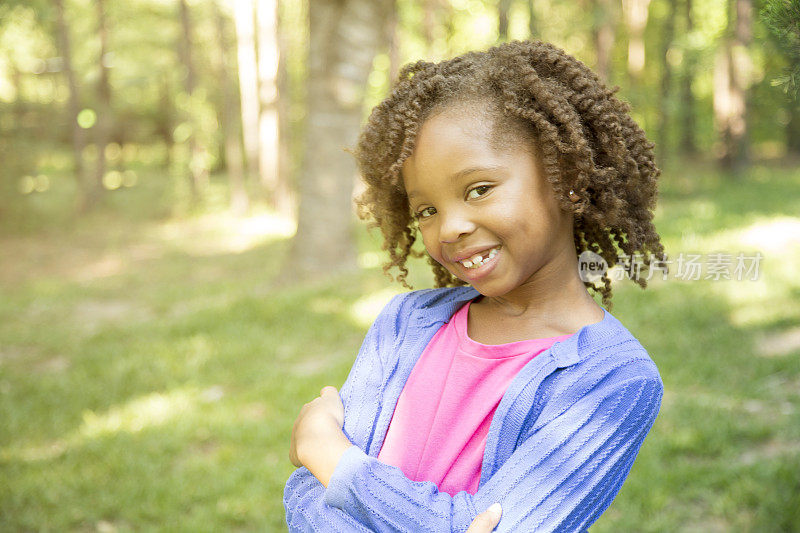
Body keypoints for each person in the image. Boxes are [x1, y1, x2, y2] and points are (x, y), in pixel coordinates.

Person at [284, 39, 666, 532]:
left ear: (568, 177)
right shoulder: (405, 323)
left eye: (479, 189)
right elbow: (305, 498)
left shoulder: (614, 380)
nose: (449, 228)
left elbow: (325, 466)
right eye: (427, 210)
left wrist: (331, 458)